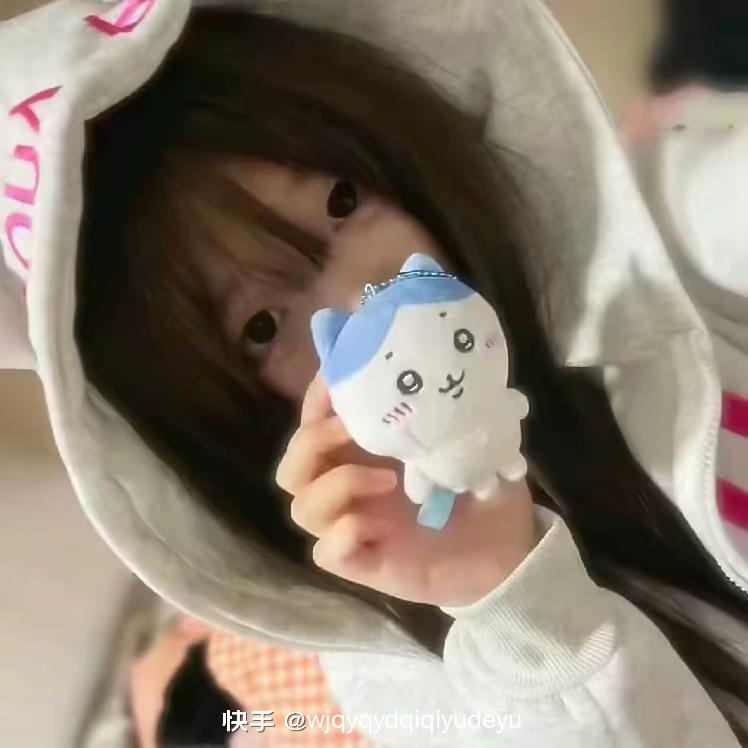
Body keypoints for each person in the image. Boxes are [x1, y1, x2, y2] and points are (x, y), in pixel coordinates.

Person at [2, 1, 747, 745]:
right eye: (263, 325)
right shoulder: (394, 677)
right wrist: (504, 592)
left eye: (343, 200)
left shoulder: (660, 235)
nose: (368, 299)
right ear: (220, 414)